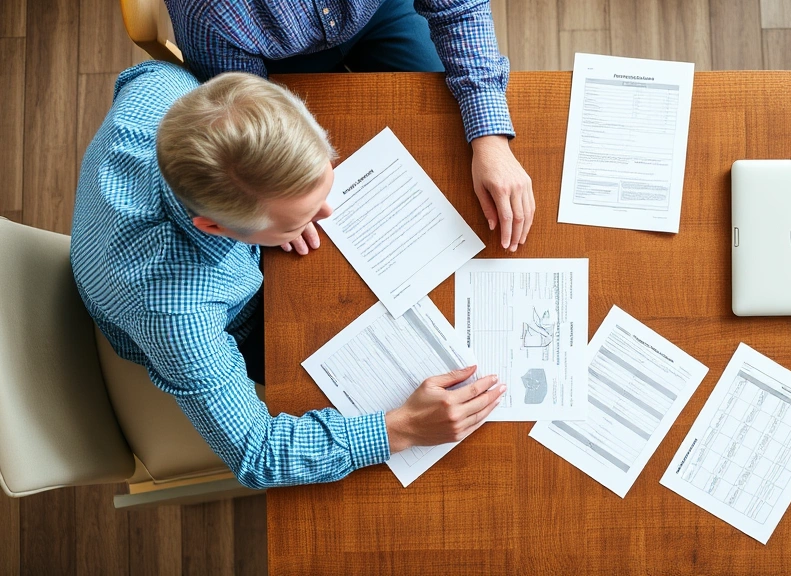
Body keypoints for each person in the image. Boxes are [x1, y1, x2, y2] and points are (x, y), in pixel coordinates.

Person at [70, 60, 505, 489]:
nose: (327, 213)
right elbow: (257, 454)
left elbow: (143, 78)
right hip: (216, 324)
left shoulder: (159, 85)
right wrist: (402, 428)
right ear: (217, 226)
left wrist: (280, 218)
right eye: (301, 217)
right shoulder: (175, 312)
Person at [164, 0, 536, 253]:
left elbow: (458, 8)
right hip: (275, 62)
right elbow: (244, 103)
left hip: (383, 9)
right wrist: (283, 204)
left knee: (437, 130)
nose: (327, 211)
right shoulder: (207, 10)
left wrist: (490, 138)